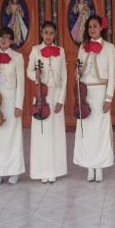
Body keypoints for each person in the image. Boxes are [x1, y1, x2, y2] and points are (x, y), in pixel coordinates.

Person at [73, 15, 115, 182]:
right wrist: (77, 73)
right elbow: (79, 71)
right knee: (87, 132)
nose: (92, 29)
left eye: (95, 26)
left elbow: (112, 74)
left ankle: (99, 166)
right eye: (90, 26)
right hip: (85, 93)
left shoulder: (109, 48)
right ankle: (89, 166)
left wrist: (109, 98)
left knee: (101, 132)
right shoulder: (83, 47)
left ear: (101, 28)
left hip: (100, 93)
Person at [27, 21, 68, 183]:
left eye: (51, 33)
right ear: (41, 33)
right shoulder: (35, 50)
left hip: (56, 94)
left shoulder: (61, 51)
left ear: (55, 34)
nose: (48, 36)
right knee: (41, 133)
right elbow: (29, 71)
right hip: (41, 95)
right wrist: (35, 74)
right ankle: (42, 170)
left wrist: (61, 100)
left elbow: (64, 76)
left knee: (56, 132)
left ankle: (55, 170)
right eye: (46, 33)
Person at [0, 27, 25, 185]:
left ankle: (14, 171)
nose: (4, 40)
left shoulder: (17, 57)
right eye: (1, 37)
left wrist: (18, 105)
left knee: (12, 136)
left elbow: (21, 82)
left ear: (12, 41)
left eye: (7, 38)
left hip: (11, 98)